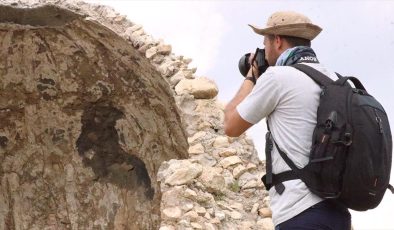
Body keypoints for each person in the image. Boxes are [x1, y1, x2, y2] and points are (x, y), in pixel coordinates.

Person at [224, 11, 352, 230]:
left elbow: (230, 124)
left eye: (264, 41)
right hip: (338, 214)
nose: (263, 49)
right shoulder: (336, 80)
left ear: (278, 40)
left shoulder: (278, 78)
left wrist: (252, 75)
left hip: (299, 213)